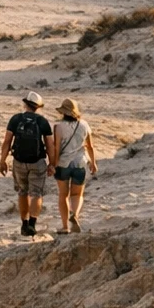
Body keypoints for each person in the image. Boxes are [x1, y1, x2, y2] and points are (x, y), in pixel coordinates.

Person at [0, 91, 53, 237]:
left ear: (25, 104)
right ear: (38, 107)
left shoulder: (16, 119)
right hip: (37, 162)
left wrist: (3, 160)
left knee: (23, 192)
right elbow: (49, 145)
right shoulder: (42, 122)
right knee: (36, 193)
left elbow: (7, 142)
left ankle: (24, 224)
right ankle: (32, 224)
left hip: (18, 161)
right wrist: (52, 164)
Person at [52, 98, 98, 233]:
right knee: (77, 194)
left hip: (63, 164)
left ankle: (65, 226)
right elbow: (90, 146)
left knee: (63, 195)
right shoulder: (84, 125)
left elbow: (57, 148)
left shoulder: (58, 127)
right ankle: (75, 215)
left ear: (63, 112)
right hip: (80, 163)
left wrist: (53, 164)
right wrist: (93, 162)